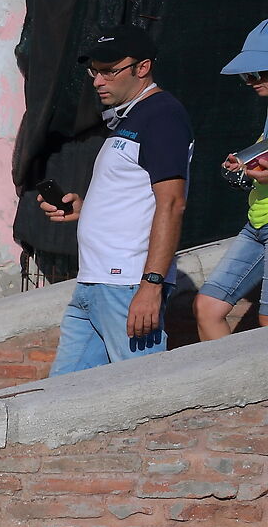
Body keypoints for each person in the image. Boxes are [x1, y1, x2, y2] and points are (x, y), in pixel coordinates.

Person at [37, 30, 192, 374]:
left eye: (110, 71)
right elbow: (134, 194)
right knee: (59, 398)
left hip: (127, 284)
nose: (98, 81)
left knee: (142, 391)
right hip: (93, 282)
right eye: (94, 71)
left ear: (143, 68)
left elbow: (171, 204)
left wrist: (150, 285)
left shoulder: (162, 115)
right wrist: (84, 208)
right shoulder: (129, 117)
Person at [196, 18, 268, 340]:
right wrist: (244, 166)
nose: (249, 80)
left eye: (256, 72)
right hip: (256, 224)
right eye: (246, 74)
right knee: (207, 307)